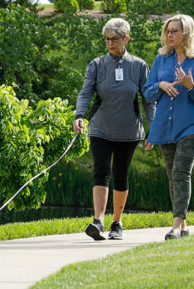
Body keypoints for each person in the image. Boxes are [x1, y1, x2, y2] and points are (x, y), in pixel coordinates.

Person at [73, 18, 155, 240]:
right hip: (100, 127)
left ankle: (116, 223)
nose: (110, 43)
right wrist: (79, 115)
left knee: (121, 174)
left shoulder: (138, 66)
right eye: (107, 39)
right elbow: (86, 92)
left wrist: (153, 127)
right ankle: (98, 221)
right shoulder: (97, 65)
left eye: (115, 39)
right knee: (101, 171)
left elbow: (148, 99)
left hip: (128, 130)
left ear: (126, 39)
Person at [142, 14, 194, 240]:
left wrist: (191, 86)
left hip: (193, 126)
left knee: (181, 171)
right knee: (172, 176)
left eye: (175, 31)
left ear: (187, 33)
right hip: (166, 127)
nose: (170, 35)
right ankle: (183, 228)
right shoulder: (161, 60)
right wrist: (161, 85)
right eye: (168, 31)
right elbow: (147, 92)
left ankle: (174, 226)